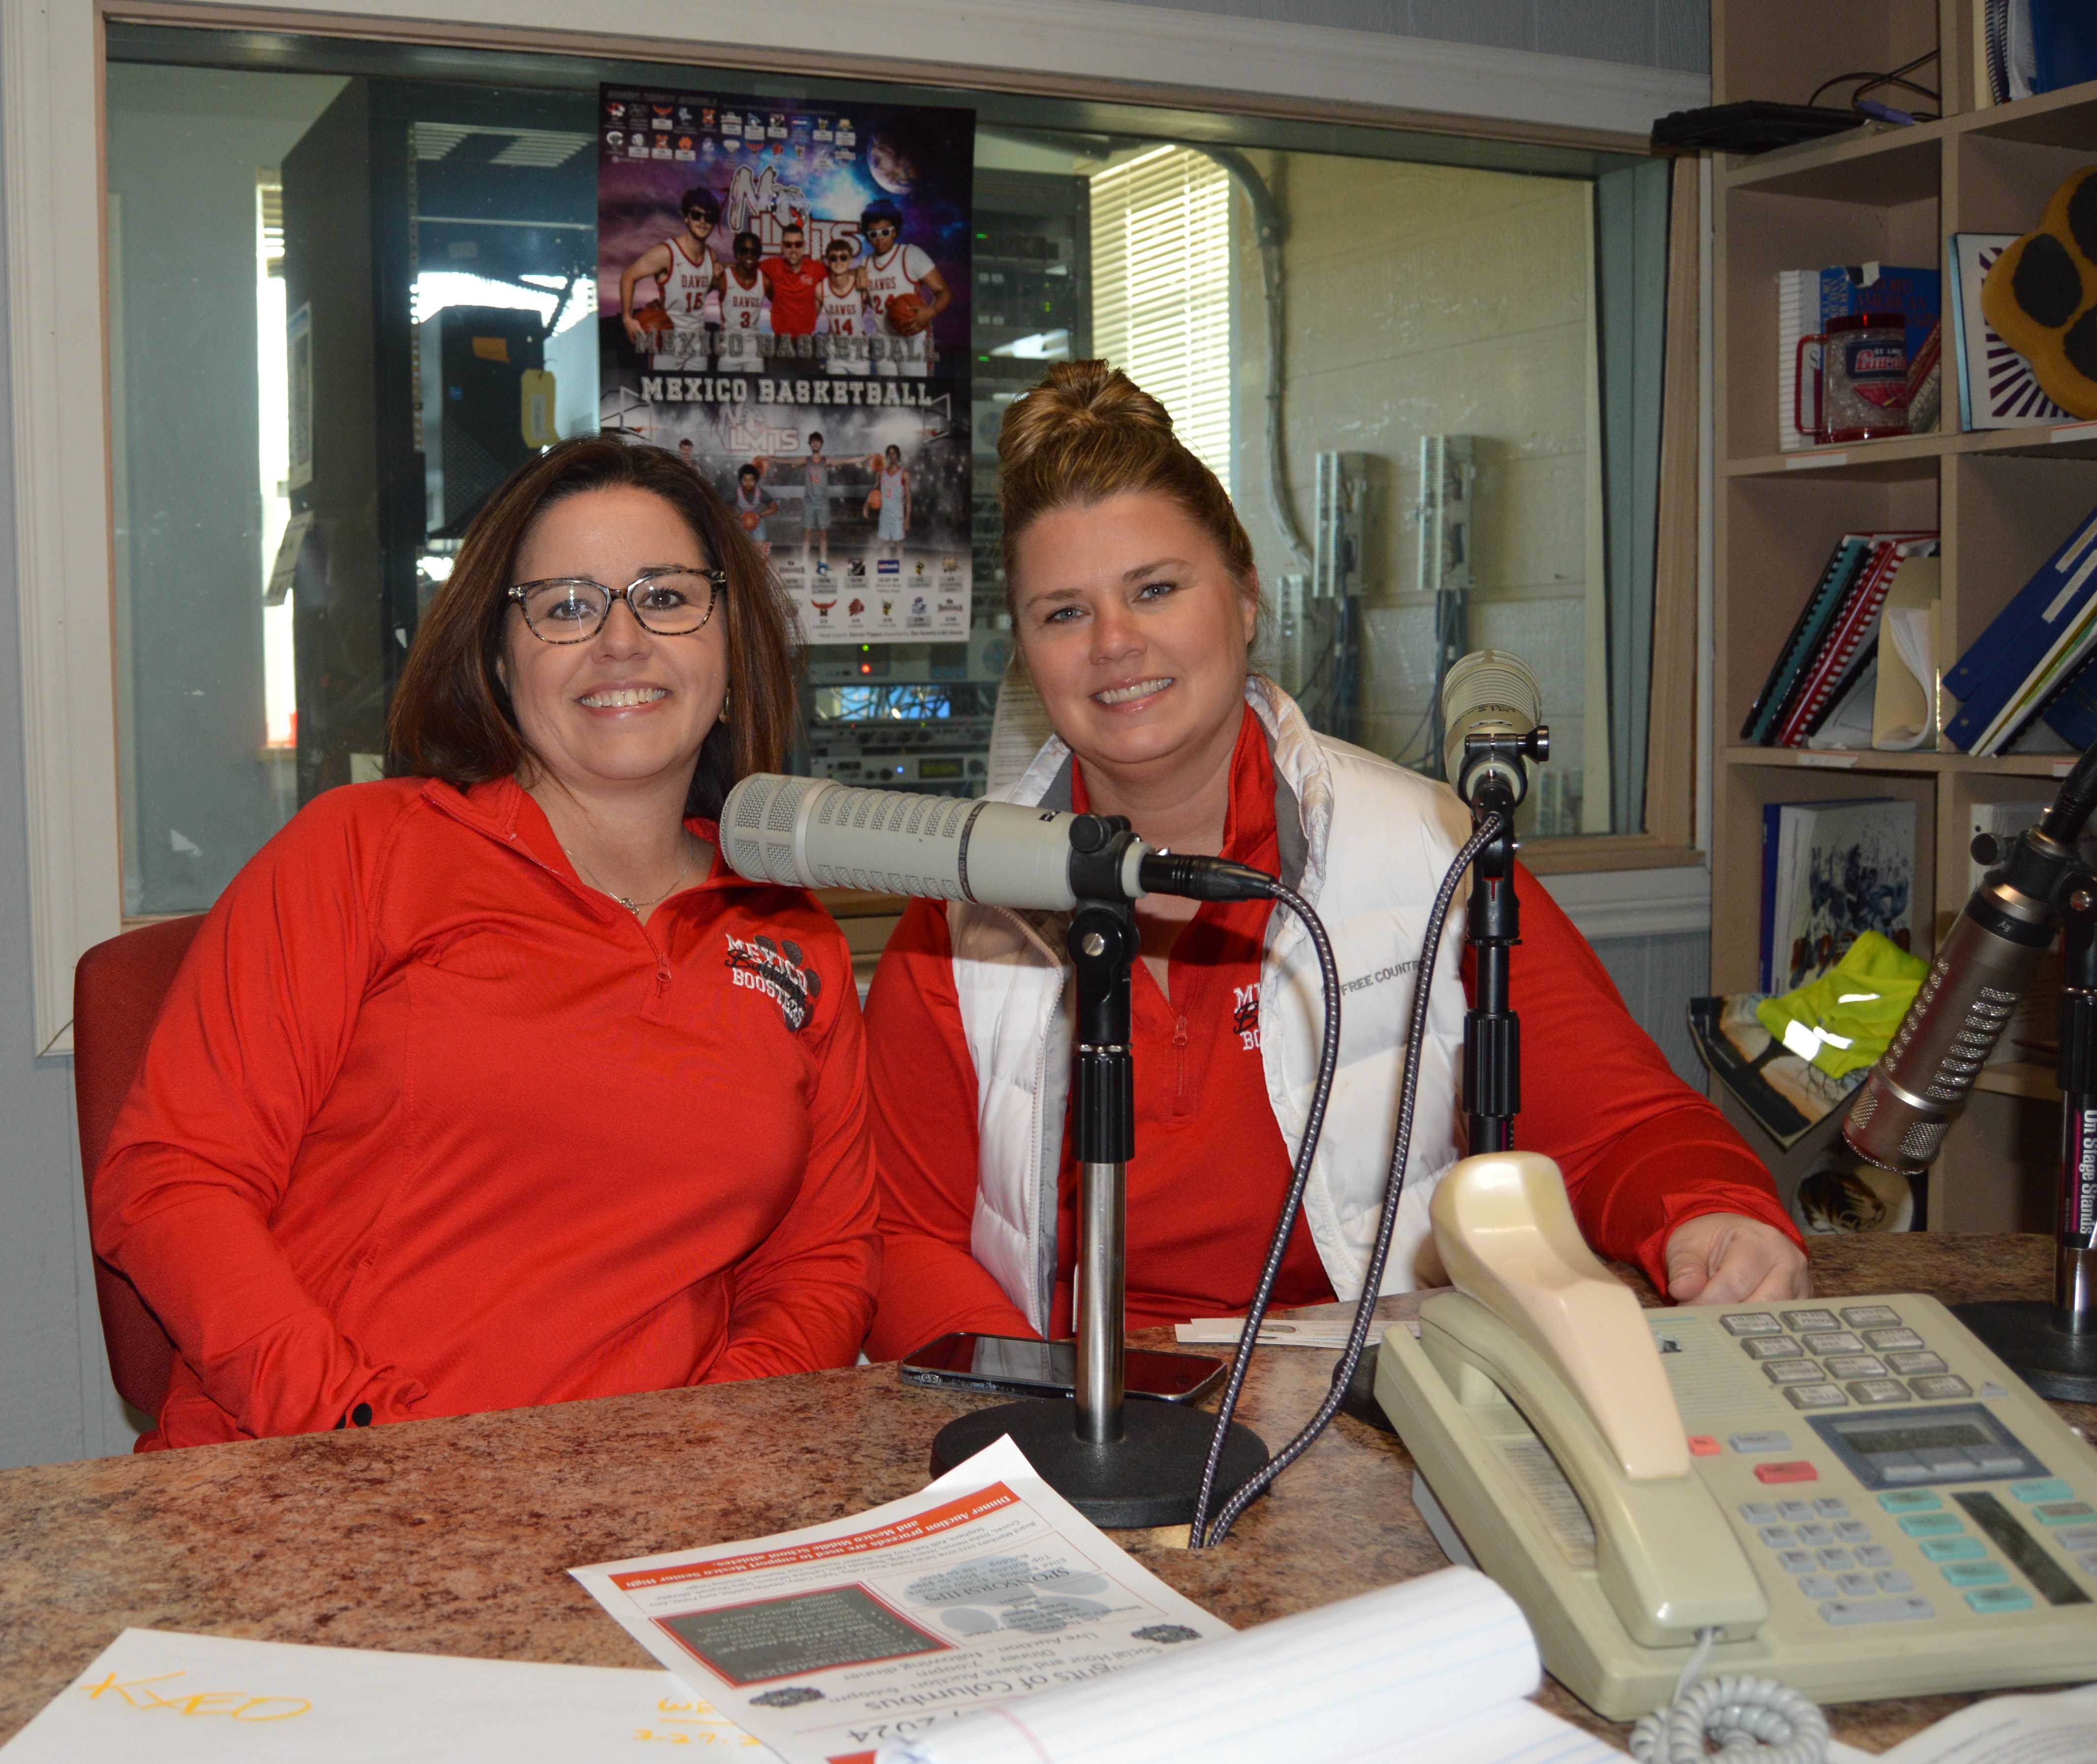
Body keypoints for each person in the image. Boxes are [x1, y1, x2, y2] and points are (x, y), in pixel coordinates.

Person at [861, 363, 1806, 1361]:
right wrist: (1033, 1404)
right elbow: (903, 1237)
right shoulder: (964, 906)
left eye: (1156, 589)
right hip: (1075, 1402)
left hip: (1360, 1395)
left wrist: (1716, 1216)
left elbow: (1621, 1128)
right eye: (1064, 612)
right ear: (1027, 652)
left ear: (1247, 597)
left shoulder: (1431, 850)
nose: (1115, 642)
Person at [93, 437, 881, 1449]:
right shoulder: (366, 849)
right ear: (501, 663)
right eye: (566, 607)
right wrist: (369, 1433)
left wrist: (698, 1451)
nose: (622, 641)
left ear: (730, 646)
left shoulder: (791, 934)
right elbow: (171, 1179)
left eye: (667, 597)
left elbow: (821, 1265)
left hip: (647, 1497)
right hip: (321, 1471)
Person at [619, 188, 720, 368]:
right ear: (686, 217)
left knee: (697, 388)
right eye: (697, 215)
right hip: (667, 341)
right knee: (664, 387)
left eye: (709, 217)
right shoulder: (667, 253)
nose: (703, 222)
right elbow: (628, 276)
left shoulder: (711, 256)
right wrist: (628, 318)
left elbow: (699, 286)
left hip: (697, 344)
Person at [858, 198, 949, 379]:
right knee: (889, 394)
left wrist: (931, 311)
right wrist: (857, 272)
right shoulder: (865, 264)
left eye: (885, 232)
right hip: (883, 339)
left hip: (912, 338)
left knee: (917, 392)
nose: (880, 238)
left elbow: (945, 293)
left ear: (895, 232)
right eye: (874, 234)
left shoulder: (911, 255)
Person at [760, 223, 826, 358]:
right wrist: (719, 266)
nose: (793, 249)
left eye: (798, 244)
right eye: (788, 245)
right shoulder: (772, 266)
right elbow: (745, 268)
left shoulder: (816, 268)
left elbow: (841, 274)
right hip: (780, 342)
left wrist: (861, 270)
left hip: (807, 341)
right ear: (782, 247)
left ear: (804, 245)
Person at [817, 237, 871, 377]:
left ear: (851, 260)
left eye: (844, 257)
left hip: (859, 352)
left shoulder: (861, 285)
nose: (839, 261)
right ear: (828, 261)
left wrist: (861, 269)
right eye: (834, 258)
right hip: (834, 353)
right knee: (834, 391)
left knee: (862, 391)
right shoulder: (821, 288)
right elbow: (811, 316)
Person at [718, 230, 770, 372]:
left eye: (754, 251)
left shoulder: (765, 281)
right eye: (744, 251)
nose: (749, 255)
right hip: (729, 349)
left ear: (758, 254)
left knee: (755, 386)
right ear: (737, 253)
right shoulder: (723, 278)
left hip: (753, 350)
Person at [865, 443, 909, 559]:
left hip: (898, 516)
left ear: (898, 455)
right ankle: (888, 567)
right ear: (887, 456)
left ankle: (899, 568)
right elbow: (875, 490)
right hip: (885, 515)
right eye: (889, 453)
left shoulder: (904, 474)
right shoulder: (882, 473)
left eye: (894, 453)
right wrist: (866, 505)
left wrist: (908, 518)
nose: (892, 455)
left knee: (899, 544)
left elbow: (909, 499)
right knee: (885, 543)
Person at [734, 461, 779, 553]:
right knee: (739, 548)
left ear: (756, 481)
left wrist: (759, 516)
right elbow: (722, 509)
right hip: (741, 520)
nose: (748, 483)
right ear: (741, 481)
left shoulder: (761, 493)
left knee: (760, 550)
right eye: (745, 480)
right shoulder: (735, 493)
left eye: (751, 480)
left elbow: (775, 508)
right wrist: (738, 516)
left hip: (757, 521)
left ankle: (760, 557)